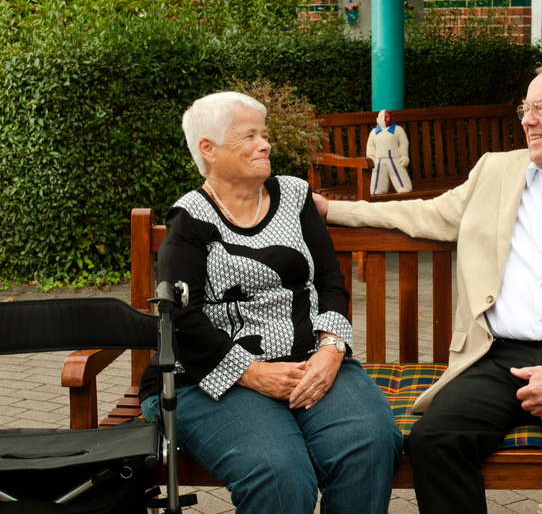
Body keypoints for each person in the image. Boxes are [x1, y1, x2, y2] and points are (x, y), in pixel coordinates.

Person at [312, 63, 542, 513]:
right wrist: (335, 211)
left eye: (541, 107)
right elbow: (426, 215)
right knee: (435, 440)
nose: (527, 119)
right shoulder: (496, 171)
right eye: (526, 107)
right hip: (495, 355)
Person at [138, 91, 402, 513]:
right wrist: (255, 373)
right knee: (278, 472)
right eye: (250, 136)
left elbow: (331, 280)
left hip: (309, 361)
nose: (266, 144)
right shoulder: (190, 218)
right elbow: (179, 317)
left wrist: (332, 349)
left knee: (369, 444)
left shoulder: (295, 197)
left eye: (265, 134)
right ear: (208, 148)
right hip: (210, 377)